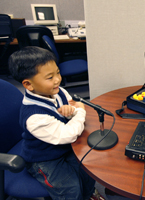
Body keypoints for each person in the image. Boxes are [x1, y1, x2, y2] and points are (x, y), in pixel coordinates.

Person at [8, 46, 104, 200]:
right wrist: (79, 111)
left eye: (57, 72)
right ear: (28, 84)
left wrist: (71, 110)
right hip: (43, 157)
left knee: (88, 170)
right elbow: (69, 134)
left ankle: (88, 196)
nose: (58, 79)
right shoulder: (35, 117)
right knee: (69, 188)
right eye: (50, 77)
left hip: (62, 147)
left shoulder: (55, 90)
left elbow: (69, 104)